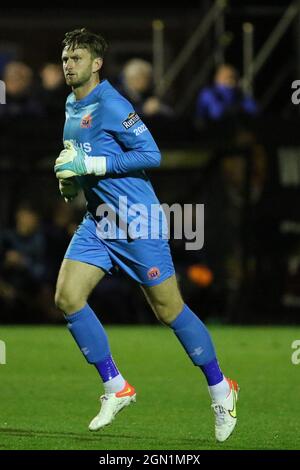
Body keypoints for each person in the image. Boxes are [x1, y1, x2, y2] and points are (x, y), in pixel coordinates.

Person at [54, 28, 239, 442]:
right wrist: (70, 182)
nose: (69, 65)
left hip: (137, 221)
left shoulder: (113, 103)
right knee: (67, 297)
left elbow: (150, 154)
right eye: (66, 58)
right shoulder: (70, 103)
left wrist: (93, 166)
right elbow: (78, 158)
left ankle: (221, 387)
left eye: (77, 58)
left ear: (96, 64)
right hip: (99, 222)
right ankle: (116, 386)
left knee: (169, 311)